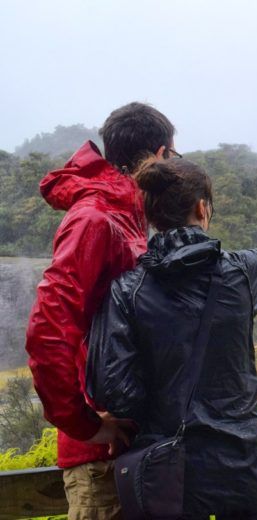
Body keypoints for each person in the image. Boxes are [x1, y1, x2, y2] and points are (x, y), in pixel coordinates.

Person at [86, 157, 257, 518]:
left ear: (150, 216)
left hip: (171, 473)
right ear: (202, 208)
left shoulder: (127, 290)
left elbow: (115, 390)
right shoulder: (240, 271)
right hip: (246, 465)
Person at [25, 102, 177, 519]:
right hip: (103, 462)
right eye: (174, 158)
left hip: (138, 449)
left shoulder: (129, 218)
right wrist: (87, 425)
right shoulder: (96, 219)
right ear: (161, 155)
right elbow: (47, 331)